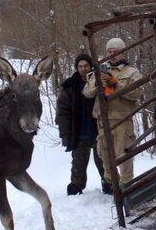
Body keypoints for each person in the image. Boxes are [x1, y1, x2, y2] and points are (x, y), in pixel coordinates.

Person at [83, 37, 142, 194]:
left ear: (123, 53)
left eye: (115, 52)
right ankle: (112, 186)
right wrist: (97, 82)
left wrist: (113, 83)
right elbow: (87, 92)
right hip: (103, 120)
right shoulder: (100, 70)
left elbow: (135, 93)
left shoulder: (132, 72)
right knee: (104, 154)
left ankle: (127, 188)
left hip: (122, 119)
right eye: (109, 52)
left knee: (124, 155)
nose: (112, 55)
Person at [57, 54, 105, 195]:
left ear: (91, 66)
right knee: (78, 163)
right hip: (78, 130)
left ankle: (108, 183)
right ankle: (76, 187)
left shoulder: (99, 81)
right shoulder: (70, 86)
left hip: (98, 129)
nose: (83, 69)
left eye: (86, 66)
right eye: (80, 66)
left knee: (103, 160)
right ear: (76, 68)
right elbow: (62, 112)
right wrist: (64, 134)